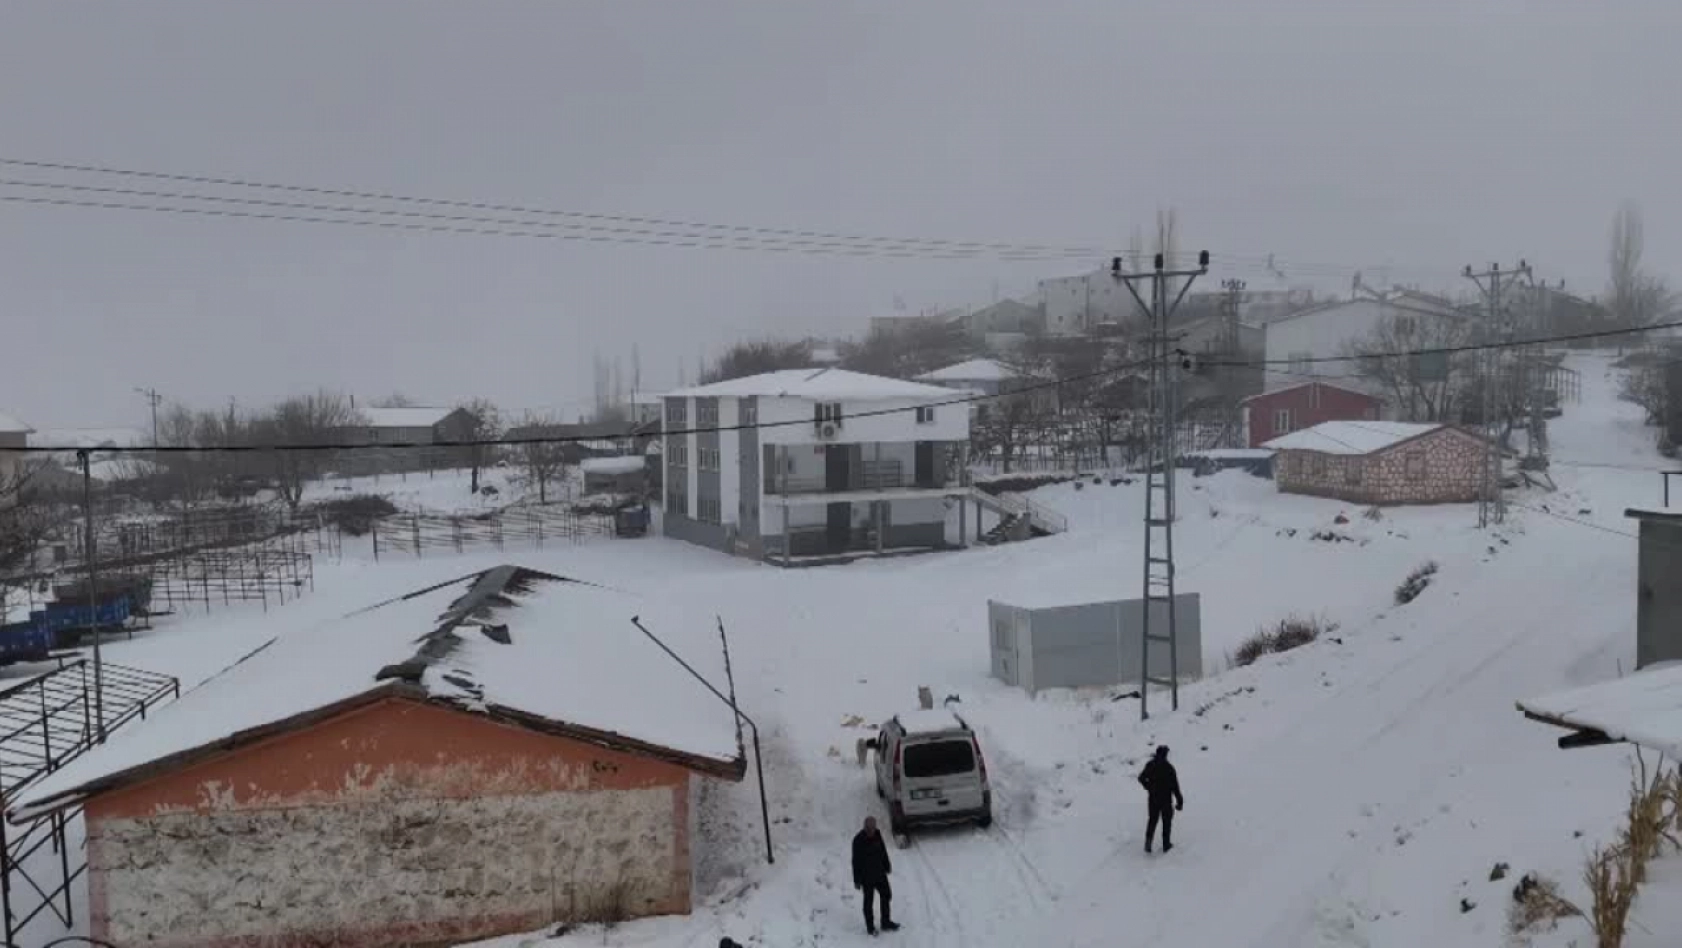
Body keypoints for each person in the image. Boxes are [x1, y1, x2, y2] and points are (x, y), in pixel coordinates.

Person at [852, 816, 899, 934]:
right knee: (868, 902)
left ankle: (885, 922)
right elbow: (855, 862)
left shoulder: (877, 834)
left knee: (886, 895)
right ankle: (870, 927)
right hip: (866, 877)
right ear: (865, 828)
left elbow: (883, 851)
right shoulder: (858, 840)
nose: (871, 832)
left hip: (879, 873)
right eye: (869, 830)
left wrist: (887, 865)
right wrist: (857, 880)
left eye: (873, 829)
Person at [1137, 744, 1184, 853]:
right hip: (1166, 800)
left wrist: (1149, 787)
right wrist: (1179, 801)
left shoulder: (1150, 765)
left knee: (1152, 820)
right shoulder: (1169, 768)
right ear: (1165, 754)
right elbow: (1175, 787)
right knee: (1166, 822)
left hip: (1153, 799)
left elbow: (1141, 778)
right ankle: (1166, 844)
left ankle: (1148, 843)